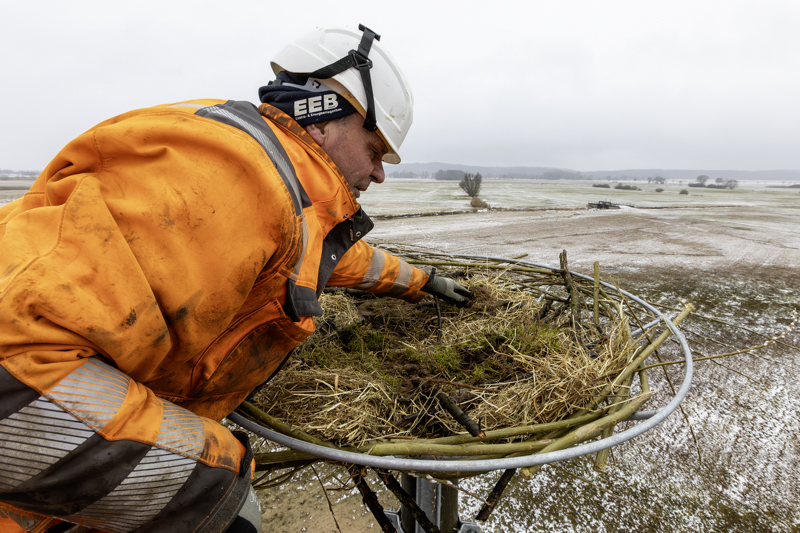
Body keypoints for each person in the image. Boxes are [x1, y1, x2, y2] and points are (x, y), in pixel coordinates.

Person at [0, 24, 472, 533]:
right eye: (375, 150)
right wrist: (207, 492)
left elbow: (335, 261)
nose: (379, 173)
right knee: (224, 496)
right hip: (25, 450)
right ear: (321, 118)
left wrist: (424, 282)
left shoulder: (283, 191)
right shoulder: (229, 179)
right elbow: (14, 354)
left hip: (62, 455)